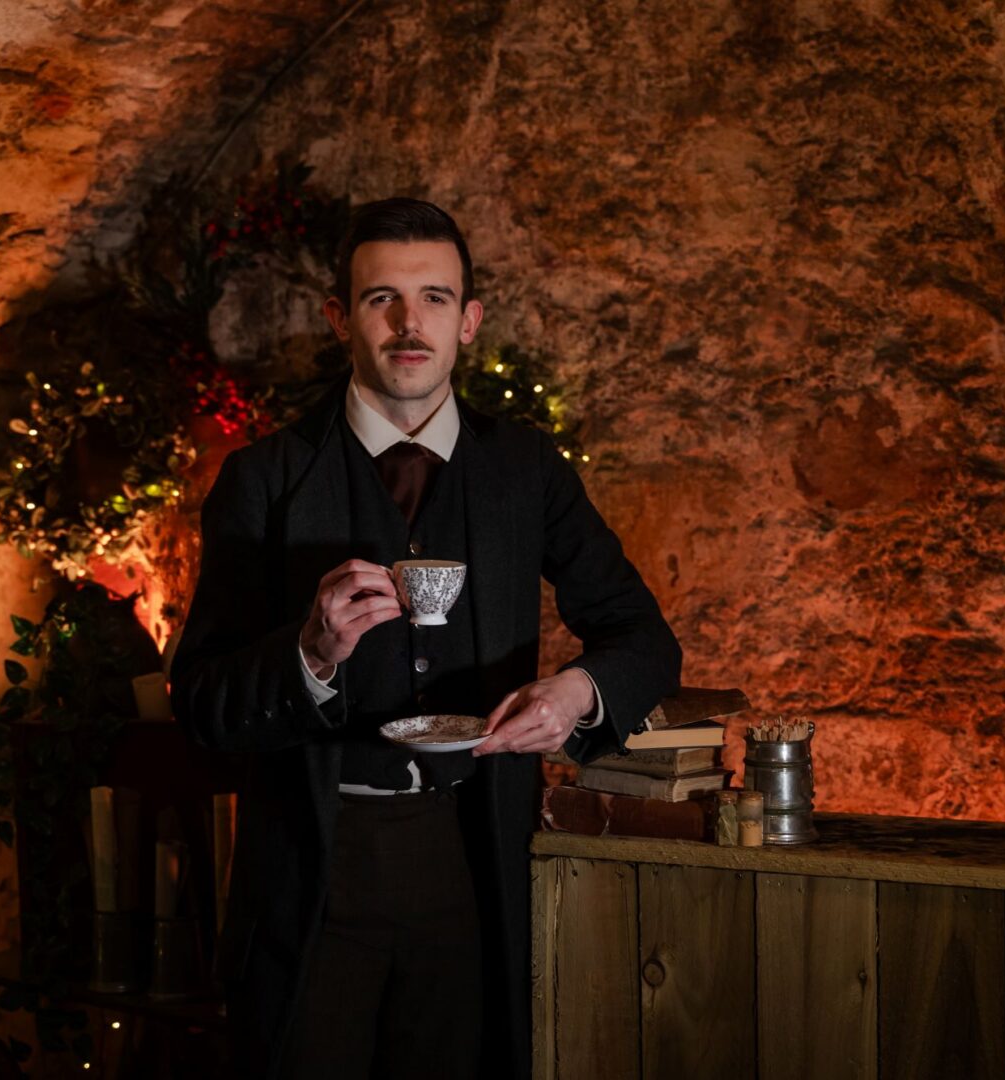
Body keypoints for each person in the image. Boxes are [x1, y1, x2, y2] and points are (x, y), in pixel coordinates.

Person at [169, 197, 680, 1080]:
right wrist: (309, 654)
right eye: (381, 299)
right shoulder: (263, 479)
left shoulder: (524, 471)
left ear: (468, 320)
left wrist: (574, 695)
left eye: (435, 297)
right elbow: (201, 704)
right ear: (340, 318)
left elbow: (642, 637)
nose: (410, 324)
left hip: (474, 865)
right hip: (313, 873)